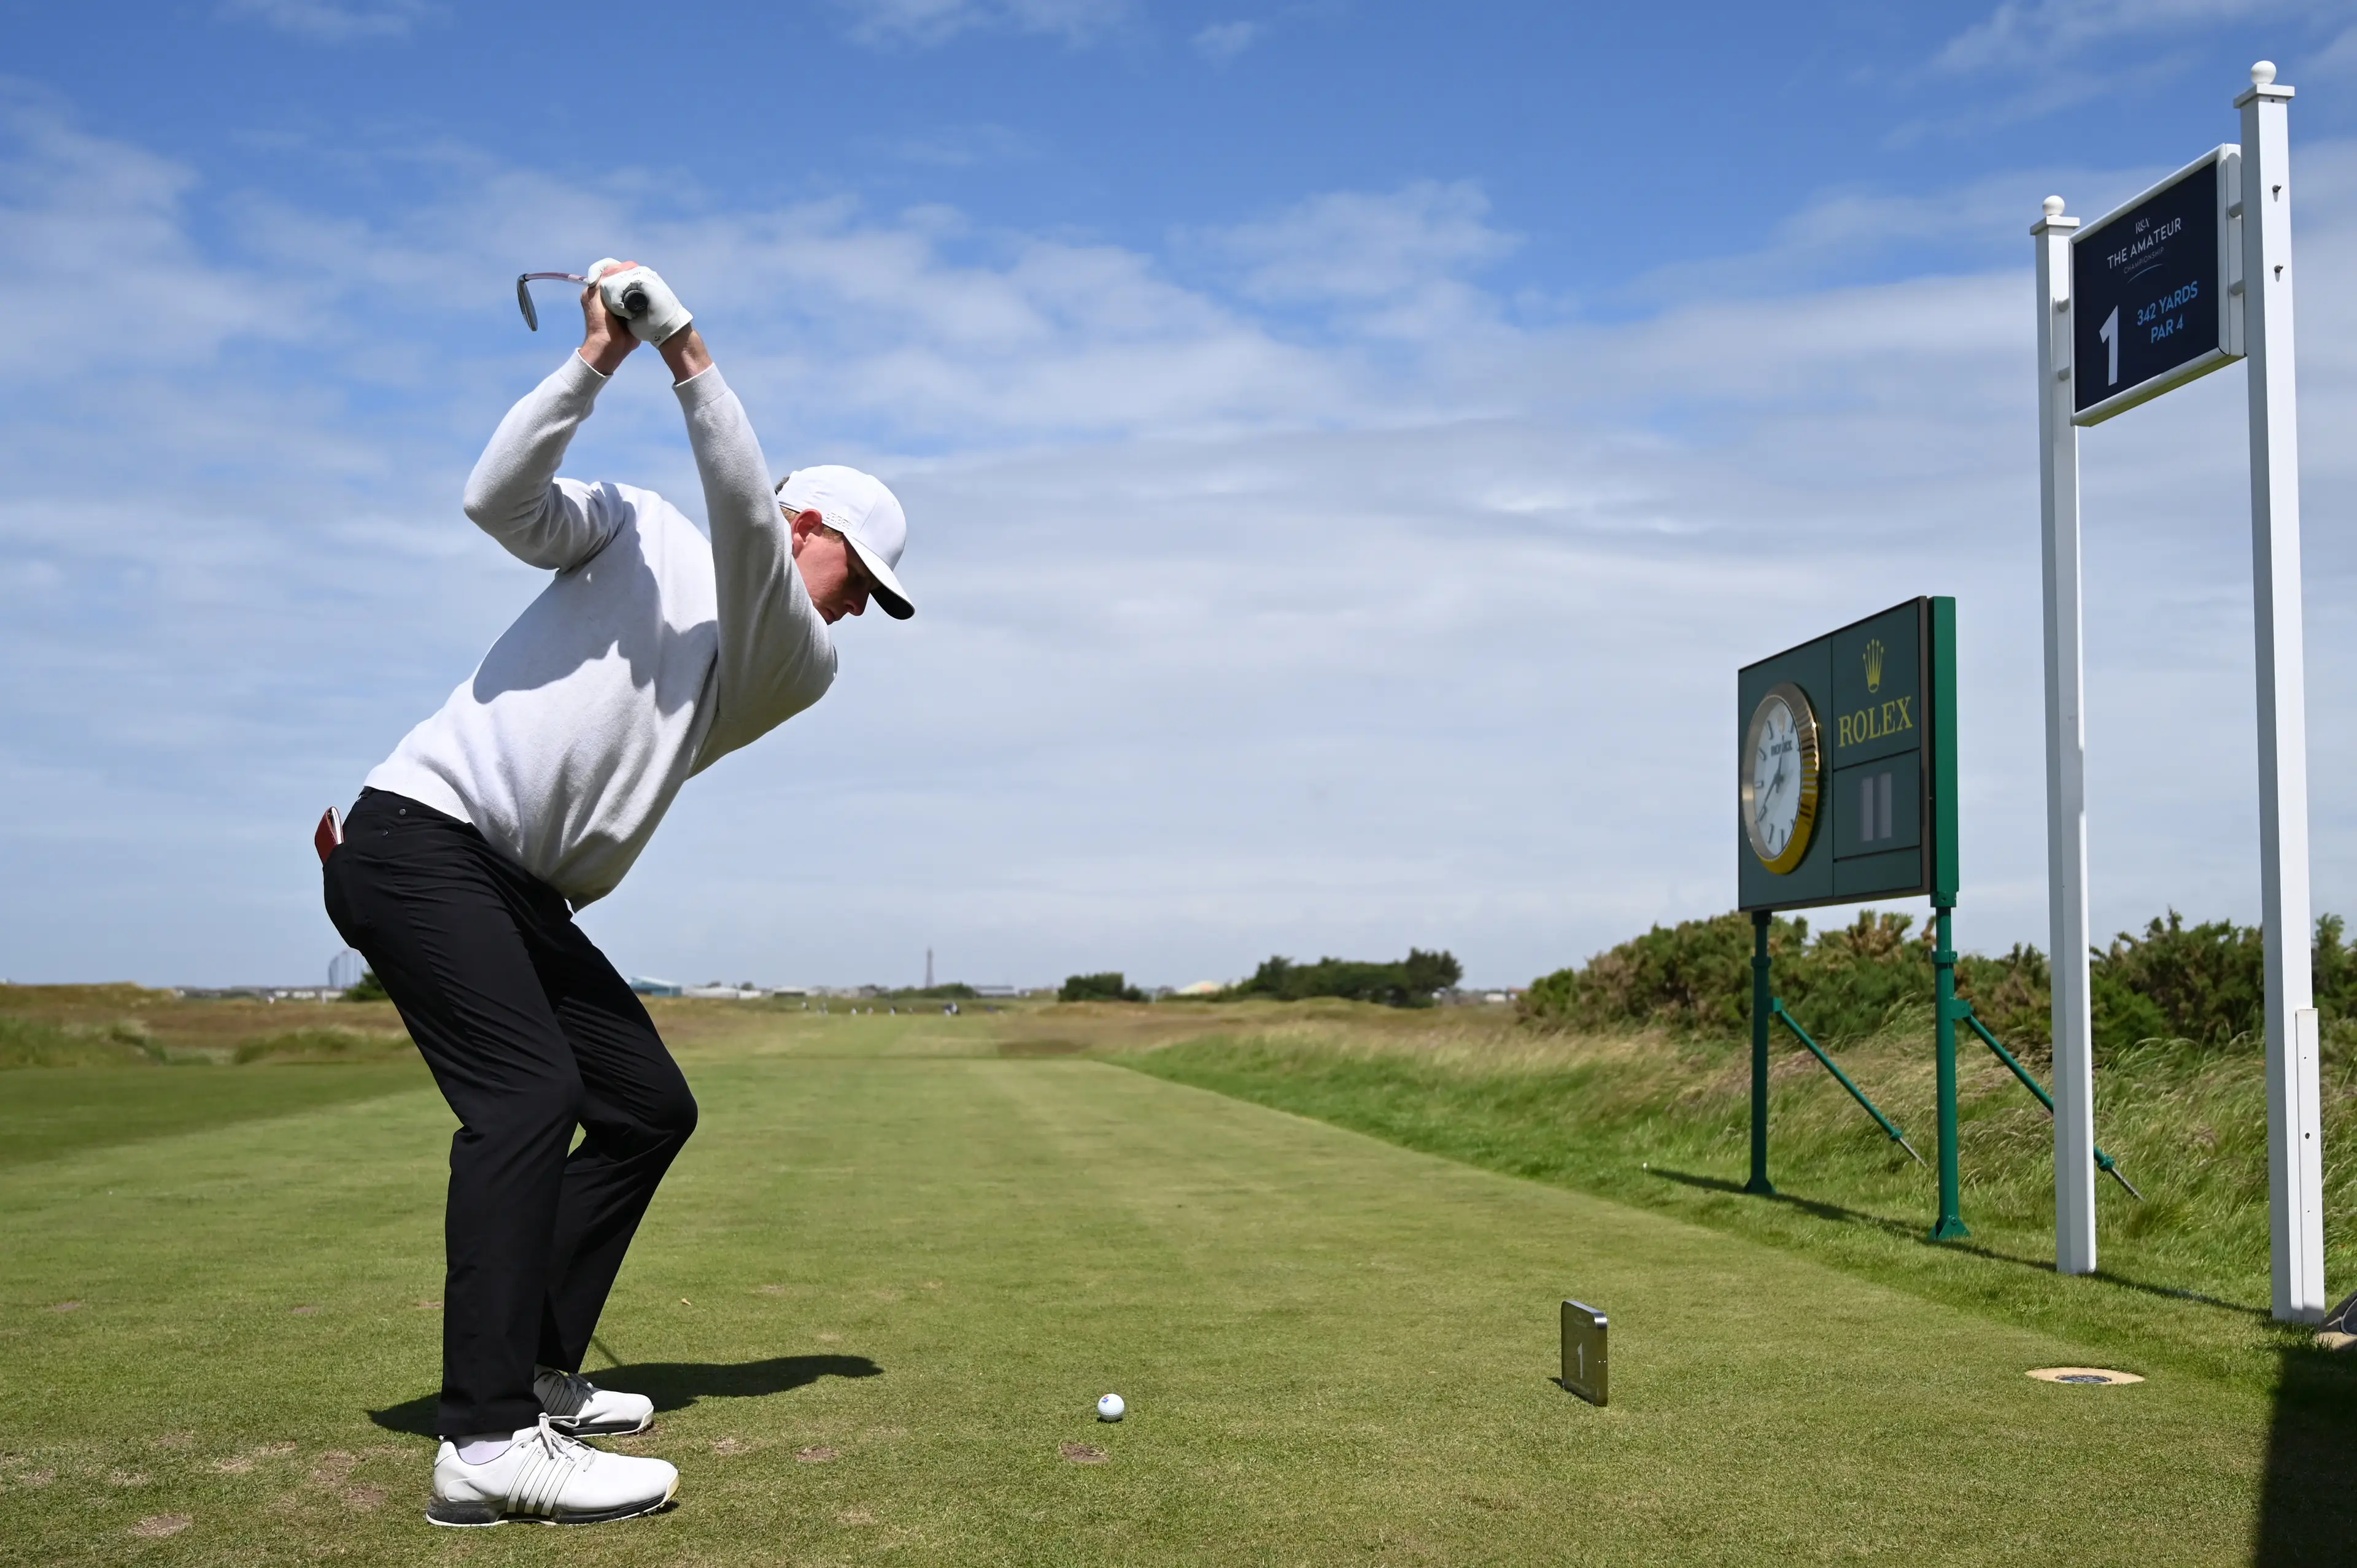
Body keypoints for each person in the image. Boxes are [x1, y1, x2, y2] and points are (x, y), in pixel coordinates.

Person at [321, 259, 913, 1527]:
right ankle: (484, 1444)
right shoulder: (638, 523)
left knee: (645, 1104)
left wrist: (692, 353)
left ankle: (534, 1374)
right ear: (817, 524)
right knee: (530, 1095)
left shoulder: (792, 659)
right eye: (859, 578)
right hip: (423, 837)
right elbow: (495, 498)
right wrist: (604, 360)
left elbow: (747, 537)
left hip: (520, 890)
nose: (857, 610)